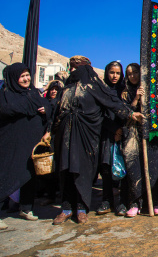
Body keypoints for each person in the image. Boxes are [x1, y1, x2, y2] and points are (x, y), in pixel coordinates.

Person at [52, 56, 143, 225]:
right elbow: (57, 112)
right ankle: (65, 208)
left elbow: (112, 104)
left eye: (78, 68)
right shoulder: (67, 88)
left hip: (87, 137)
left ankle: (81, 208)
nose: (74, 72)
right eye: (73, 68)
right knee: (65, 171)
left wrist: (130, 114)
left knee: (83, 172)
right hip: (66, 137)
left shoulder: (94, 87)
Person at [0, 63, 51, 226]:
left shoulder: (33, 92)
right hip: (13, 142)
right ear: (14, 78)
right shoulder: (6, 94)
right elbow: (8, 109)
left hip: (33, 142)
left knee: (30, 175)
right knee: (8, 173)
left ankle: (26, 208)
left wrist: (45, 108)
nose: (26, 79)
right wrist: (34, 106)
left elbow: (49, 106)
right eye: (22, 76)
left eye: (27, 75)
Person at [97, 61, 130, 217]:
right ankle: (107, 201)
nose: (115, 76)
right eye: (112, 72)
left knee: (123, 168)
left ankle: (123, 202)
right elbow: (99, 115)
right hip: (107, 134)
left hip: (123, 134)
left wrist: (121, 130)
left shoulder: (124, 90)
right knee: (106, 168)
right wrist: (113, 129)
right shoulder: (101, 91)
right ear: (107, 73)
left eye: (117, 73)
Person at [120, 63, 146, 218]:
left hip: (146, 133)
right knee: (133, 167)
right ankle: (135, 202)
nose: (133, 76)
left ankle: (151, 202)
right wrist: (136, 97)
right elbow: (125, 111)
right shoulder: (124, 93)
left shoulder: (149, 88)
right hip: (131, 134)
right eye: (129, 74)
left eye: (135, 72)